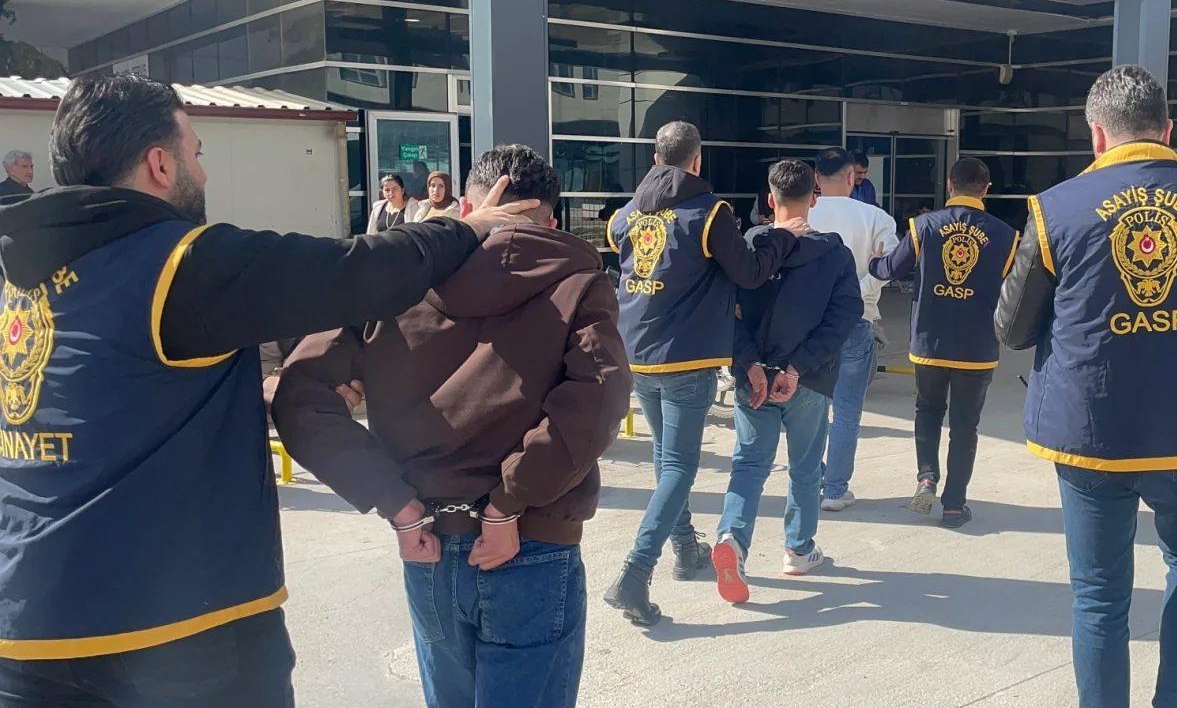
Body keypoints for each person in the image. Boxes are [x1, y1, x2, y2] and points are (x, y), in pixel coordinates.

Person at [0, 73, 534, 706]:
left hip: (25, 624)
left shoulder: (21, 272)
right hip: (168, 630)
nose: (203, 171)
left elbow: (93, 394)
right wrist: (470, 227)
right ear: (160, 164)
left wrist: (238, 396)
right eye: (196, 152)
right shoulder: (178, 262)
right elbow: (357, 271)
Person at [272, 144, 632, 708]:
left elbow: (298, 396)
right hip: (534, 540)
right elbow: (600, 396)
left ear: (466, 206)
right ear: (551, 219)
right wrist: (509, 502)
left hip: (430, 537)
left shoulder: (397, 279)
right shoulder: (579, 279)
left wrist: (395, 503)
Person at [996, 64, 1177, 707]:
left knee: (1098, 594)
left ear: (1096, 134)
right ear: (1168, 129)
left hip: (1091, 428)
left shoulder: (1053, 209)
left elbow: (1012, 328)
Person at [602, 121, 808, 626]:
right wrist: (781, 237)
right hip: (685, 357)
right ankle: (635, 572)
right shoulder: (709, 212)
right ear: (697, 161)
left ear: (656, 159)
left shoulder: (627, 214)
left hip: (637, 354)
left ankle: (684, 549)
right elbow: (751, 273)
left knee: (665, 459)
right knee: (678, 466)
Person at [712, 160, 861, 604]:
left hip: (753, 377)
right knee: (805, 467)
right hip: (807, 378)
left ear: (769, 198)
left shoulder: (748, 248)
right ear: (814, 198)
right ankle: (798, 549)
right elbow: (843, 317)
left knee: (749, 464)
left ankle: (732, 539)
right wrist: (796, 368)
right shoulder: (835, 255)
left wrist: (749, 364)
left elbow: (725, 312)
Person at [869, 157, 1017, 529]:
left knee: (928, 410)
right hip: (977, 346)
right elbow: (1015, 292)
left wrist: (873, 262)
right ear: (986, 190)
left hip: (929, 341)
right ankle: (954, 506)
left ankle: (926, 477)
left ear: (950, 186)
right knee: (965, 426)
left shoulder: (924, 226)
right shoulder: (1006, 236)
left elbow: (890, 269)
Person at [807, 147, 899, 512]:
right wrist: (862, 290)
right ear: (852, 177)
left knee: (810, 409)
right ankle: (835, 490)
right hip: (857, 321)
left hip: (809, 324)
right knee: (846, 411)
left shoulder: (802, 214)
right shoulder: (876, 218)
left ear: (816, 178)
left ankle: (811, 478)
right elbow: (888, 267)